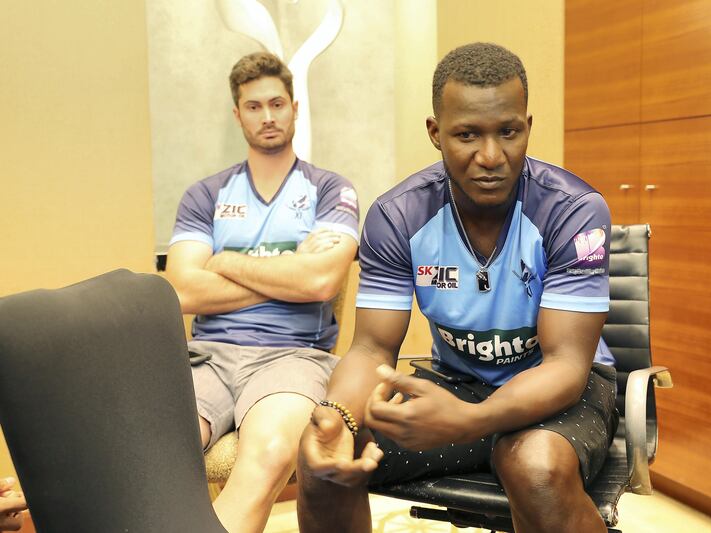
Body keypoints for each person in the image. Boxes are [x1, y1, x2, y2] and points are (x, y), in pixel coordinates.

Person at [297, 42, 617, 533]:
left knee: (532, 466)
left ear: (527, 127)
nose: (490, 156)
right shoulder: (398, 215)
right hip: (459, 382)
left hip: (563, 394)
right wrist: (339, 414)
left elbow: (567, 366)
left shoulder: (573, 211)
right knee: (326, 457)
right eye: (467, 135)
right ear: (435, 133)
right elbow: (371, 348)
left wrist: (469, 420)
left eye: (508, 132)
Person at [165, 51, 359, 533]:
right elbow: (183, 289)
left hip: (293, 356)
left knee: (270, 453)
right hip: (204, 356)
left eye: (277, 103)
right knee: (158, 446)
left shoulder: (331, 190)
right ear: (237, 114)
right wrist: (290, 269)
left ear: (295, 107)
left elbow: (321, 282)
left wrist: (225, 261)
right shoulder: (205, 195)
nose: (268, 116)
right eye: (254, 106)